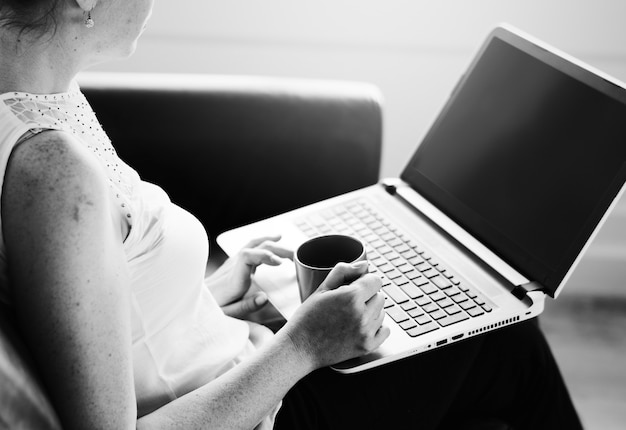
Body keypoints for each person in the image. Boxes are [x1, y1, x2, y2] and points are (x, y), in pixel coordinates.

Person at [0, 1, 583, 429]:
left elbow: (99, 305)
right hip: (262, 412)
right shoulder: (53, 172)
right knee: (504, 338)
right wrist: (303, 347)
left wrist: (202, 298)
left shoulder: (39, 92)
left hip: (234, 363)